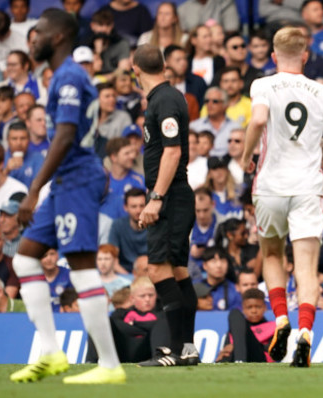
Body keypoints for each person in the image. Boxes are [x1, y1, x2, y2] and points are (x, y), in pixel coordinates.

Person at [9, 9, 125, 384]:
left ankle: (109, 365)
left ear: (58, 37)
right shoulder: (63, 76)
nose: (34, 39)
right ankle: (51, 351)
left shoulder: (70, 76)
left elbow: (63, 135)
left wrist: (34, 188)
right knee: (25, 260)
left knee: (81, 266)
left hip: (75, 180)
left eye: (39, 32)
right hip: (65, 182)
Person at [240, 26, 323, 367]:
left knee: (271, 254)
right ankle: (306, 333)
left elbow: (258, 118)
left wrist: (246, 155)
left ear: (273, 56)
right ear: (306, 55)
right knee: (306, 267)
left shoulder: (263, 84)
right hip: (307, 188)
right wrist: (314, 140)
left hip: (270, 185)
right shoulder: (322, 91)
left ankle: (281, 318)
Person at [131, 44, 197, 367]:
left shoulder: (165, 100)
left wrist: (155, 198)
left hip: (169, 195)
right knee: (178, 270)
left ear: (135, 68)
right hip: (175, 193)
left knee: (157, 268)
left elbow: (172, 152)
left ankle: (172, 351)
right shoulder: (165, 98)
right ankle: (187, 348)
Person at [216, 288, 276, 363]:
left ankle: (240, 360)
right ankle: (237, 360)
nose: (254, 311)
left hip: (259, 358)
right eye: (249, 307)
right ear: (243, 309)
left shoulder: (273, 327)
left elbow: (274, 352)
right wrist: (223, 353)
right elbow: (227, 348)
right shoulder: (236, 327)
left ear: (265, 307)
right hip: (236, 355)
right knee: (235, 314)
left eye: (258, 307)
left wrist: (235, 347)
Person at [190, 87, 242, 157]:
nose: (210, 104)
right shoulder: (194, 127)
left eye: (215, 101)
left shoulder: (236, 128)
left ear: (225, 105)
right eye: (207, 101)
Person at [107, 188, 148, 273]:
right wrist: (131, 279)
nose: (138, 210)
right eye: (134, 206)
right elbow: (112, 261)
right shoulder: (117, 225)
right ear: (125, 207)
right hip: (126, 275)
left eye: (142, 205)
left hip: (151, 273)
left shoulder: (155, 225)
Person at [196, 246, 242, 311]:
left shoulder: (235, 291)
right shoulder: (195, 288)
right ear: (204, 265)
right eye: (214, 261)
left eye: (223, 261)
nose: (219, 265)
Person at [3, 122, 44, 189]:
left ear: (29, 140)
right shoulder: (0, 158)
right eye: (14, 139)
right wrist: (7, 170)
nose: (19, 143)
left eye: (23, 138)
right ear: (8, 140)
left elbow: (40, 186)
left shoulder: (38, 158)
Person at [40, 248, 72, 313]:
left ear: (57, 255)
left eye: (52, 254)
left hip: (65, 318)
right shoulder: (33, 278)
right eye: (44, 255)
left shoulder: (69, 275)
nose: (49, 259)